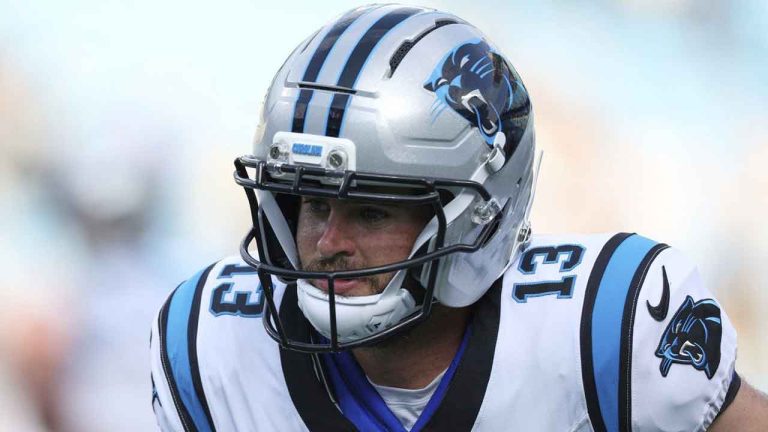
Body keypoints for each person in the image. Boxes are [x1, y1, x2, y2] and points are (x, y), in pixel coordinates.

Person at [149, 4, 768, 431]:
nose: (327, 242)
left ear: (482, 215)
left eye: (369, 210)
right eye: (312, 203)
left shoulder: (603, 330)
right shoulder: (212, 345)